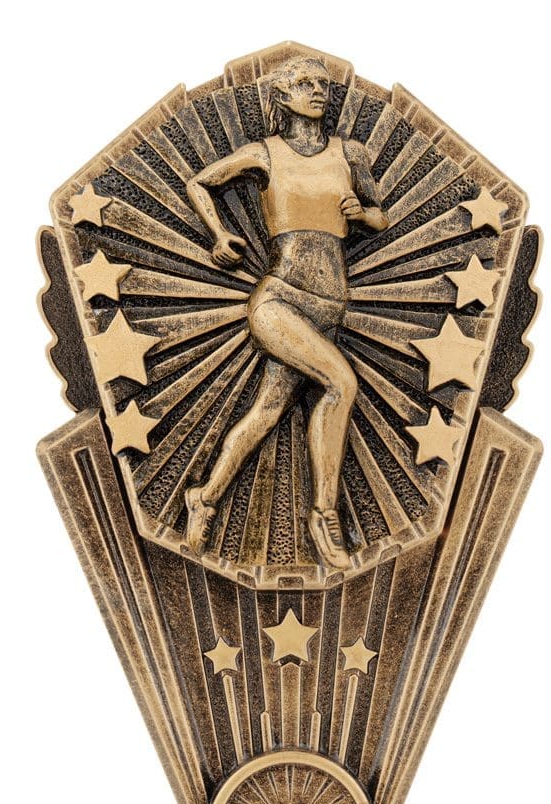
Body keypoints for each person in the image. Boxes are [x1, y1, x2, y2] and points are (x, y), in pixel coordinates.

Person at [185, 56, 389, 569]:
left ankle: (204, 497)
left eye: (322, 83)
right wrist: (219, 235)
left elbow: (381, 215)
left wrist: (363, 215)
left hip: (329, 308)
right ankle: (325, 516)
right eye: (303, 83)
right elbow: (200, 183)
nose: (317, 91)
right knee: (341, 384)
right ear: (281, 95)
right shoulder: (265, 153)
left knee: (267, 411)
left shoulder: (350, 153)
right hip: (279, 301)